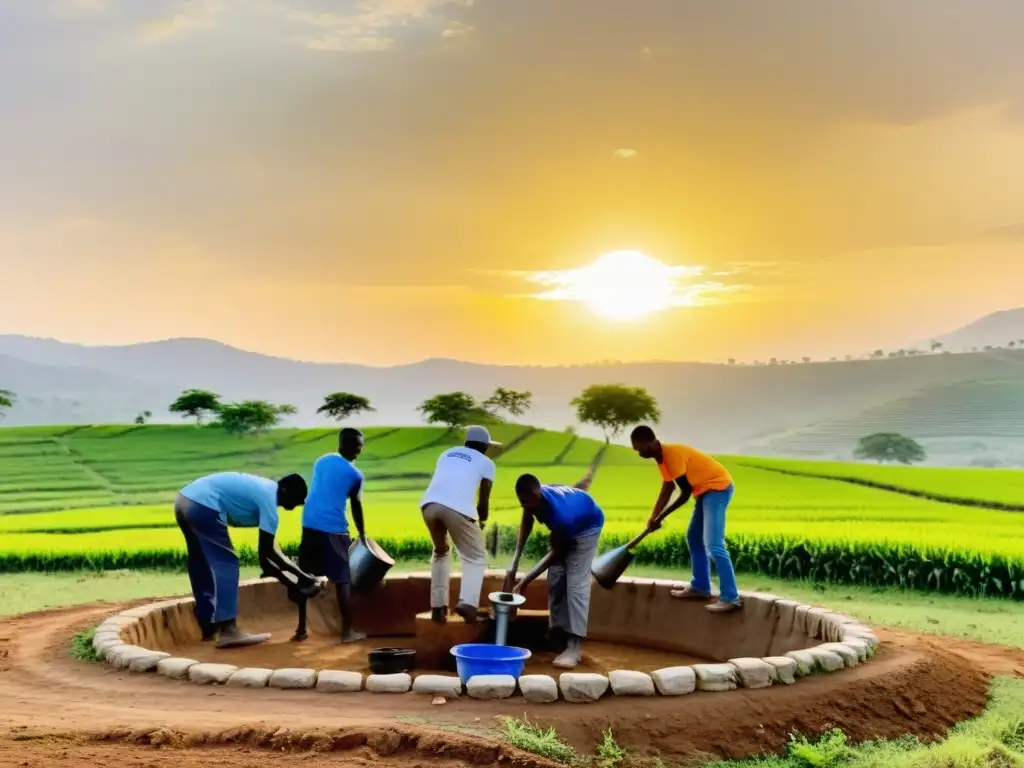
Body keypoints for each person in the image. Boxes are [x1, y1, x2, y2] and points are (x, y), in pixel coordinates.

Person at [174, 471, 317, 648]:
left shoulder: (265, 490)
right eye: (296, 501)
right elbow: (268, 553)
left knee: (201, 562)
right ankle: (228, 630)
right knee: (227, 562)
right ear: (286, 492)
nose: (295, 507)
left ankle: (209, 627)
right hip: (203, 505)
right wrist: (304, 577)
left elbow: (267, 560)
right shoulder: (270, 500)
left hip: (183, 500)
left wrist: (294, 579)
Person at [503, 459, 602, 669]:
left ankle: (574, 647)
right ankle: (557, 633)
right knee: (556, 578)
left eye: (534, 505)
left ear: (538, 495)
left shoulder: (561, 516)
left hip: (587, 527)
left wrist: (524, 582)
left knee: (575, 582)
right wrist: (515, 561)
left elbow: (558, 552)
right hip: (570, 521)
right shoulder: (532, 498)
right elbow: (527, 521)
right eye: (525, 505)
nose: (532, 509)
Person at [630, 425, 740, 613]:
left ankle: (731, 597)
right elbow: (668, 488)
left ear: (649, 442)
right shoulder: (661, 458)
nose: (637, 451)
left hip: (718, 488)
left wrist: (661, 517)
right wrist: (653, 517)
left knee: (714, 543)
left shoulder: (672, 455)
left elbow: (684, 493)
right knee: (694, 539)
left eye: (638, 447)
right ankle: (700, 587)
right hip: (704, 492)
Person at [419, 425, 498, 625]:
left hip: (429, 505)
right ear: (483, 446)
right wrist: (481, 521)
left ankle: (438, 608)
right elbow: (483, 500)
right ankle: (468, 604)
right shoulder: (487, 462)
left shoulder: (447, 453)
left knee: (441, 551)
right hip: (457, 508)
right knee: (476, 557)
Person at [296, 427, 368, 644]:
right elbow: (356, 505)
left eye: (360, 447)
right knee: (343, 580)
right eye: (355, 446)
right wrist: (362, 534)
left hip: (309, 523)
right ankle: (347, 632)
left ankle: (301, 629)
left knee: (305, 576)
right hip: (334, 529)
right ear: (343, 444)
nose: (358, 450)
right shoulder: (355, 474)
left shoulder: (322, 460)